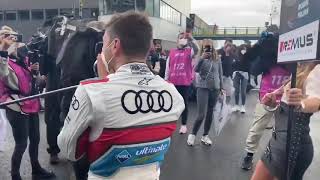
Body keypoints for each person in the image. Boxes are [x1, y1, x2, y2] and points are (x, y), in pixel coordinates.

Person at [58, 11, 185, 180]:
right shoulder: (173, 93)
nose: (102, 50)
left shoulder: (91, 91)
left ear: (115, 45)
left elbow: (69, 150)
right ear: (149, 47)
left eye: (103, 44)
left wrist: (104, 83)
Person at [0, 26, 55, 180]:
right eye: (7, 37)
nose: (11, 40)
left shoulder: (23, 59)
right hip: (16, 106)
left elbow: (32, 82)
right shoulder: (3, 60)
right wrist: (3, 49)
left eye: (13, 37)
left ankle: (36, 169)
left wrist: (34, 72)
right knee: (21, 143)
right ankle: (16, 175)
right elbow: (3, 73)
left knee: (36, 139)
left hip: (32, 103)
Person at [251, 62, 320, 180]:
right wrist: (273, 102)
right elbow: (285, 106)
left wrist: (301, 103)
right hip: (277, 141)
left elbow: (316, 100)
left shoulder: (317, 68)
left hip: (293, 147)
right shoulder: (299, 68)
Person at [187, 42, 223, 146]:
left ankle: (205, 135)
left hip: (215, 88)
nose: (208, 50)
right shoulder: (200, 58)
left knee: (210, 112)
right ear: (202, 49)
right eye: (206, 48)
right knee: (201, 114)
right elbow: (196, 70)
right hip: (202, 87)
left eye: (210, 48)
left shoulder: (217, 59)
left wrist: (222, 87)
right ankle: (193, 134)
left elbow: (220, 73)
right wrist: (202, 58)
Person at [165, 31, 199, 134]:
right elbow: (168, 66)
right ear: (177, 40)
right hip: (173, 82)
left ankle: (183, 125)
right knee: (172, 104)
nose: (182, 39)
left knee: (184, 104)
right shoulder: (172, 52)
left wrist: (191, 39)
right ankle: (171, 123)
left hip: (184, 82)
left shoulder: (189, 51)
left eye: (183, 38)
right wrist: (166, 79)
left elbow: (197, 49)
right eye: (180, 38)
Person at [232, 44, 251, 113]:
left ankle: (243, 106)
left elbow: (249, 66)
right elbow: (233, 65)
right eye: (242, 49)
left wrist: (245, 56)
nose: (243, 50)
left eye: (245, 49)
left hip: (245, 74)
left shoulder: (248, 57)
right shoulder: (236, 56)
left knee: (243, 91)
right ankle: (236, 105)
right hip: (237, 73)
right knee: (236, 90)